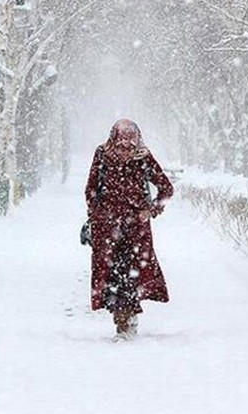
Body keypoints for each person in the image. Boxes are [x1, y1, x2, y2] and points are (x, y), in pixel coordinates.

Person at [84, 119, 174, 340]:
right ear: (113, 140)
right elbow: (91, 189)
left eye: (129, 146)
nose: (125, 151)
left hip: (136, 231)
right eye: (121, 145)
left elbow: (166, 188)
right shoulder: (102, 155)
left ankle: (127, 322)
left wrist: (151, 210)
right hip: (107, 230)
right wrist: (97, 214)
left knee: (131, 275)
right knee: (112, 276)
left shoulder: (143, 158)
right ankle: (122, 320)